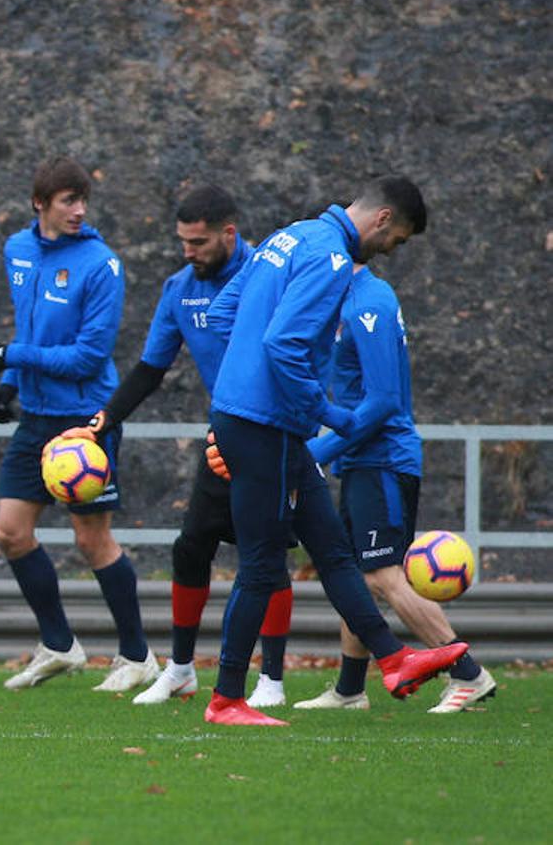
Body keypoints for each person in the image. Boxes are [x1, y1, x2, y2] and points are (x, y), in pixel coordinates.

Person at [202, 175, 468, 725]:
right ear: (383, 219)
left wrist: (243, 382)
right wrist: (330, 413)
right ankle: (226, 699)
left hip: (255, 417)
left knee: (333, 550)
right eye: (397, 240)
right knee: (261, 564)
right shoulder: (330, 260)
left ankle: (394, 659)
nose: (390, 250)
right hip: (266, 424)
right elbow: (283, 344)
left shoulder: (288, 236)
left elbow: (225, 315)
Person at [60, 185, 295, 707]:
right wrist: (101, 423)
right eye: (183, 241)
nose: (188, 251)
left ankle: (272, 681)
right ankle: (181, 670)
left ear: (229, 234)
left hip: (274, 435)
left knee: (266, 554)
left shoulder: (270, 276)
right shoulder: (179, 289)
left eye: (198, 242)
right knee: (190, 550)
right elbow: (150, 369)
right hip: (223, 438)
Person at [294, 250, 496, 713]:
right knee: (357, 577)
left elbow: (384, 401)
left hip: (383, 459)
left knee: (382, 574)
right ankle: (350, 688)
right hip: (360, 459)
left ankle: (468, 673)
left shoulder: (368, 303)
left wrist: (317, 452)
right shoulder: (345, 302)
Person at [0, 156, 157, 693]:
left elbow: (88, 357)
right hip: (37, 417)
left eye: (83, 200)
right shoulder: (18, 249)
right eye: (68, 201)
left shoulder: (101, 265)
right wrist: (10, 381)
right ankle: (59, 645)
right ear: (41, 204)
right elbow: (29, 326)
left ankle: (137, 657)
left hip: (86, 420)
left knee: (91, 539)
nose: (79, 210)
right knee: (11, 532)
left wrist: (13, 355)